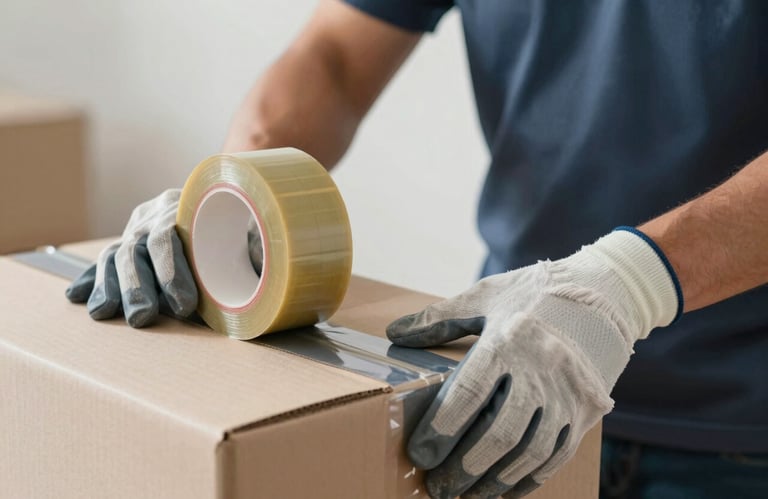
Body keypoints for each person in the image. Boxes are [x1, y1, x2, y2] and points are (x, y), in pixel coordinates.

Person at [65, 1, 768, 497]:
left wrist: (624, 287)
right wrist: (234, 190)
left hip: (737, 429)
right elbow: (336, 55)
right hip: (509, 383)